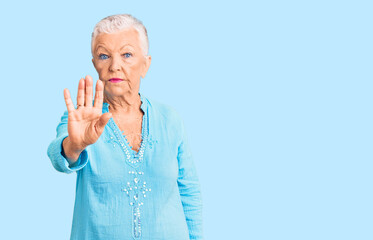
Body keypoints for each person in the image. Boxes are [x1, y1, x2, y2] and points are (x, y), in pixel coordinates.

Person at [47, 14, 203, 240]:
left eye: (127, 54)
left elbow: (189, 193)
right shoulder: (82, 118)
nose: (115, 66)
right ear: (95, 65)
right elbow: (59, 156)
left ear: (145, 64)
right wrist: (74, 146)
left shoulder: (170, 119)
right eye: (104, 56)